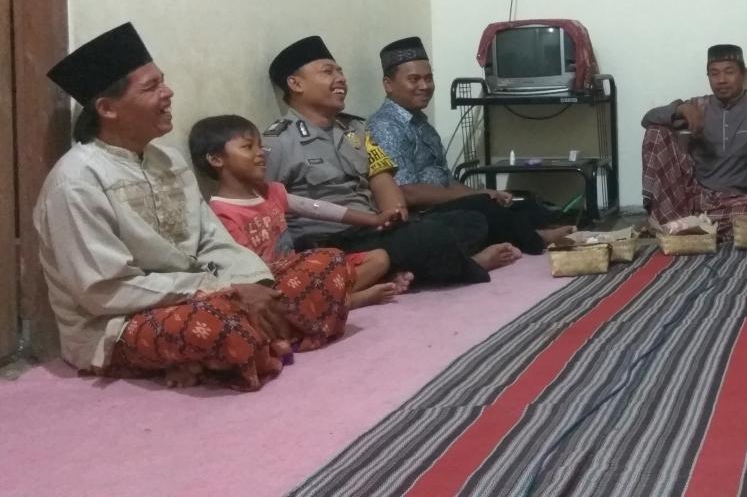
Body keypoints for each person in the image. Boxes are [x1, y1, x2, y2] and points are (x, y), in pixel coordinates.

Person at [33, 23, 351, 391]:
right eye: (152, 87)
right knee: (218, 324)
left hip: (206, 291)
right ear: (108, 108)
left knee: (328, 262)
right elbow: (104, 291)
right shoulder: (76, 181)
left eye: (163, 82)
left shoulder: (168, 161)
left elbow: (211, 240)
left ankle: (237, 349)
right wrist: (223, 291)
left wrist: (253, 283)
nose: (168, 93)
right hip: (119, 321)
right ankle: (260, 338)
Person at [264, 36, 522, 286]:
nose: (340, 78)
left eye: (340, 71)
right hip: (327, 241)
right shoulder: (278, 142)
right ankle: (471, 264)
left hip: (371, 230)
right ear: (296, 84)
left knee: (471, 221)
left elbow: (382, 179)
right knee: (428, 237)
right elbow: (264, 209)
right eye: (328, 72)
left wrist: (396, 220)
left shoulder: (356, 130)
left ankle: (396, 269)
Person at [366, 36, 572, 253]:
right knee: (482, 207)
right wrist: (475, 197)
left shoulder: (421, 124)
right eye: (414, 79)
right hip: (422, 214)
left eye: (429, 78)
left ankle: (534, 231)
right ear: (388, 85)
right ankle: (536, 240)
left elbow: (447, 181)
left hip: (445, 203)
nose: (425, 86)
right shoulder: (385, 126)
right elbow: (407, 192)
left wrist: (484, 191)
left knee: (521, 201)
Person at [189, 114, 413, 309]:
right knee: (290, 293)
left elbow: (318, 208)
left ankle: (333, 299)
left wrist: (373, 219)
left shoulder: (271, 191)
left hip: (302, 270)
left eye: (260, 146)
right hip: (274, 284)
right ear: (216, 159)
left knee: (378, 258)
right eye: (248, 147)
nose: (261, 153)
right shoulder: (221, 212)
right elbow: (245, 270)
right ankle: (350, 300)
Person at [640, 43, 747, 240]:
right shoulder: (698, 106)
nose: (721, 80)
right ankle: (687, 225)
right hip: (693, 196)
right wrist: (680, 109)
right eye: (714, 74)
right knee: (656, 131)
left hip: (733, 201)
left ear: (743, 74)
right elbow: (648, 118)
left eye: (729, 72)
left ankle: (679, 227)